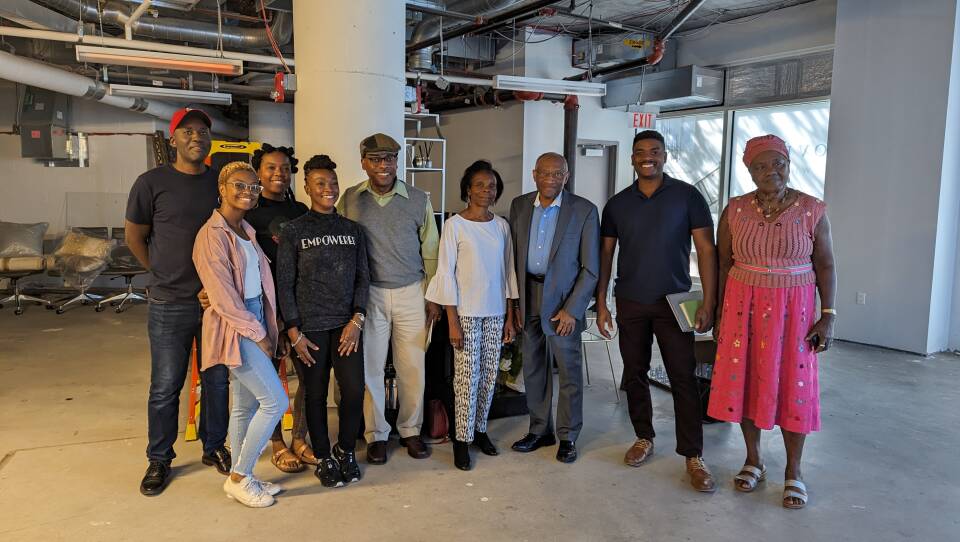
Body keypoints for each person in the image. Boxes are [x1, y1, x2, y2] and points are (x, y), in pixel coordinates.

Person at [707, 134, 836, 510]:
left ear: (788, 163)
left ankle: (794, 471)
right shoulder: (734, 210)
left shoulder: (813, 209)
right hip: (742, 307)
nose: (770, 172)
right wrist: (718, 314)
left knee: (794, 385)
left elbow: (825, 264)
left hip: (793, 312)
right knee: (744, 381)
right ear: (749, 171)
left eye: (777, 163)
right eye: (760, 166)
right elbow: (723, 263)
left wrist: (827, 316)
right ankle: (753, 459)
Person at [596, 129, 718, 493]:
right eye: (640, 152)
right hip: (630, 300)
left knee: (682, 376)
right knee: (634, 373)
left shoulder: (687, 196)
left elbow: (707, 252)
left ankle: (693, 455)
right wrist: (601, 301)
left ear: (664, 155)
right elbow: (605, 255)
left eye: (654, 151)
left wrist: (709, 302)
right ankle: (643, 437)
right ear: (632, 159)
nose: (647, 157)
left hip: (674, 303)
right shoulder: (617, 204)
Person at [126, 108, 230, 496]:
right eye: (187, 131)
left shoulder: (218, 184)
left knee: (217, 381)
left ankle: (214, 446)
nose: (196, 137)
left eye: (203, 131)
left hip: (214, 303)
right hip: (169, 302)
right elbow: (135, 235)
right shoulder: (150, 182)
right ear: (173, 140)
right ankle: (159, 458)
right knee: (166, 385)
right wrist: (160, 272)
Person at [337, 133, 440, 464]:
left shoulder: (418, 198)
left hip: (412, 291)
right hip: (370, 295)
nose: (384, 165)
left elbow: (432, 251)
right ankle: (377, 434)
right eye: (376, 160)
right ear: (364, 163)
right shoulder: (351, 199)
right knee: (371, 369)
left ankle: (410, 430)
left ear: (397, 161)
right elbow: (339, 243)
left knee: (413, 368)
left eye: (390, 159)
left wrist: (432, 296)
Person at [193, 161, 287, 508]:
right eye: (240, 185)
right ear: (222, 187)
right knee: (275, 401)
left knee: (244, 405)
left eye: (253, 187)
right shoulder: (211, 235)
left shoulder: (245, 229)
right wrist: (258, 332)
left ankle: (240, 473)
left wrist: (266, 322)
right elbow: (223, 298)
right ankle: (239, 477)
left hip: (254, 314)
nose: (247, 192)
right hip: (237, 323)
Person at [277, 155, 370, 488]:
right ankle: (323, 456)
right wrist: (293, 331)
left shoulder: (353, 231)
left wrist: (357, 319)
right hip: (310, 330)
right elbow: (284, 283)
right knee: (315, 395)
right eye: (320, 183)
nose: (328, 189)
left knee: (354, 390)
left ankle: (345, 451)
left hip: (347, 327)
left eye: (332, 182)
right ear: (306, 188)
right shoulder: (294, 231)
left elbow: (363, 278)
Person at [426, 160, 518, 470]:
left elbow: (508, 273)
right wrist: (452, 320)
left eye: (491, 185)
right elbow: (445, 274)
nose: (486, 190)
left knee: (490, 377)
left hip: (495, 313)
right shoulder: (455, 225)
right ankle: (461, 441)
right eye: (479, 184)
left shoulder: (501, 226)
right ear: (468, 189)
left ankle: (479, 431)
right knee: (466, 379)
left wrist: (509, 315)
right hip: (464, 314)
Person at [508, 152, 599, 464]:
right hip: (529, 294)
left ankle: (568, 436)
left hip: (562, 304)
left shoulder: (584, 210)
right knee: (533, 367)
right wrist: (515, 304)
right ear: (534, 174)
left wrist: (573, 309)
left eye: (557, 174)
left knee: (569, 372)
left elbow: (591, 268)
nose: (551, 180)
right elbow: (512, 259)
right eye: (545, 173)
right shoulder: (519, 205)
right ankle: (539, 430)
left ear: (567, 176)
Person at [242, 144, 315, 473]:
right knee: (270, 378)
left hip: (300, 306)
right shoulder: (247, 214)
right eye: (271, 167)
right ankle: (277, 442)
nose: (278, 173)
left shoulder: (302, 211)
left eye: (285, 168)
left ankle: (300, 437)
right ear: (259, 172)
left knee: (308, 377)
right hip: (263, 307)